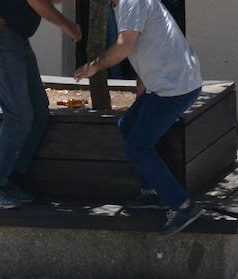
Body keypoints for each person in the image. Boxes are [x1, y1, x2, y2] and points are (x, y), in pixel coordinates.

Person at [75, 0, 204, 237]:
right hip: (164, 85)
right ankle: (153, 192)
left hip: (175, 87)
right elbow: (149, 47)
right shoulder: (124, 4)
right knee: (128, 125)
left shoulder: (132, 1)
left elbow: (126, 46)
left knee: (138, 147)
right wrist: (141, 92)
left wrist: (95, 65)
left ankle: (183, 206)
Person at [0, 0, 81, 209]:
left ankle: (11, 179)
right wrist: (69, 26)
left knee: (39, 112)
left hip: (12, 35)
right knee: (19, 116)